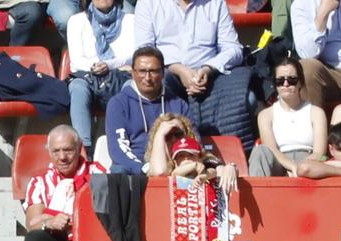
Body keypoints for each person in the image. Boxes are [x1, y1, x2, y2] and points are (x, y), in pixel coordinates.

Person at [135, 0, 256, 147]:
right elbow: (144, 50)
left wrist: (208, 68)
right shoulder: (148, 3)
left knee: (247, 98)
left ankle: (231, 153)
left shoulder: (215, 3)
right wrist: (178, 69)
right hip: (165, 69)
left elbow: (233, 48)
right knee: (144, 89)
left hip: (209, 72)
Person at [102, 45, 194, 171]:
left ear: (162, 73)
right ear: (133, 73)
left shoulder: (179, 104)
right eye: (142, 71)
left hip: (172, 169)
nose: (147, 78)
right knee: (119, 170)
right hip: (134, 172)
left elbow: (193, 142)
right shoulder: (118, 104)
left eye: (153, 71)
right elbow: (118, 151)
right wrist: (145, 170)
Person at [67, 0, 134, 149]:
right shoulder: (76, 21)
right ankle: (84, 148)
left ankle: (126, 145)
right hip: (89, 76)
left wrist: (108, 65)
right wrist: (99, 65)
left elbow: (132, 56)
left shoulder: (130, 20)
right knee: (77, 87)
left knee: (133, 87)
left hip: (119, 78)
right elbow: (77, 61)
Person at [254, 54, 333, 175]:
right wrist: (293, 167)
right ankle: (259, 193)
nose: (286, 84)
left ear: (300, 82)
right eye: (280, 80)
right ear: (275, 84)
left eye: (292, 80)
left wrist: (301, 167)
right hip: (278, 163)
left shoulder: (316, 113)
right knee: (260, 152)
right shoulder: (265, 115)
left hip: (308, 163)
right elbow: (271, 150)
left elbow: (319, 153)